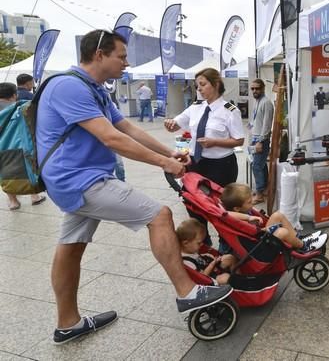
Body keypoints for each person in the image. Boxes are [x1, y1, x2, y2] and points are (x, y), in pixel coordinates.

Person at [36, 29, 232, 345]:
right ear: (99, 55)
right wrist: (165, 165)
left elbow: (126, 127)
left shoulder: (95, 89)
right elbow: (112, 138)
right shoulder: (68, 87)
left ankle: (67, 324)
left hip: (77, 179)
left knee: (71, 247)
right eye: (122, 56)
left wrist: (169, 152)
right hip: (80, 180)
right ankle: (187, 292)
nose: (126, 63)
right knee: (160, 215)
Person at [164, 68, 244, 241]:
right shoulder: (195, 107)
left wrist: (215, 142)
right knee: (194, 206)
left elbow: (239, 140)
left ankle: (227, 243)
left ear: (215, 84)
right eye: (197, 85)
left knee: (221, 208)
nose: (199, 89)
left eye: (202, 84)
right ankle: (203, 242)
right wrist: (171, 124)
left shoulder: (230, 110)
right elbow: (178, 124)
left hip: (221, 166)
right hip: (196, 164)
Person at [221, 182, 327, 252]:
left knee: (278, 215)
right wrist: (248, 218)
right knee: (282, 232)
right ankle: (304, 247)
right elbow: (225, 214)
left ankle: (298, 239)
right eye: (249, 202)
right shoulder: (231, 217)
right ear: (236, 208)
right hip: (255, 244)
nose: (253, 202)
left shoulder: (241, 211)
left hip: (258, 235)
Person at [0, 82, 46, 210]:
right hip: (18, 146)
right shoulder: (20, 107)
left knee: (4, 173)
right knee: (27, 167)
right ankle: (34, 196)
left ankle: (13, 201)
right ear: (14, 95)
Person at [176, 219, 234, 285]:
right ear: (186, 243)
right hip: (208, 279)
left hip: (211, 267)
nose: (202, 244)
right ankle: (236, 288)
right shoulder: (187, 262)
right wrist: (212, 264)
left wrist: (209, 256)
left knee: (230, 258)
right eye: (199, 243)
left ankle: (239, 278)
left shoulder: (191, 249)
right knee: (225, 278)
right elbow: (201, 278)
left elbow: (200, 257)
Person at [248, 79, 274, 204]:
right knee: (261, 165)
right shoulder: (257, 101)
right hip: (255, 138)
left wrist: (260, 141)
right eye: (252, 88)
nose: (254, 91)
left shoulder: (267, 103)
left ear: (263, 88)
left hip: (261, 140)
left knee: (256, 166)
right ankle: (264, 189)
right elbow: (255, 121)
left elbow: (267, 125)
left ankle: (259, 194)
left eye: (257, 88)